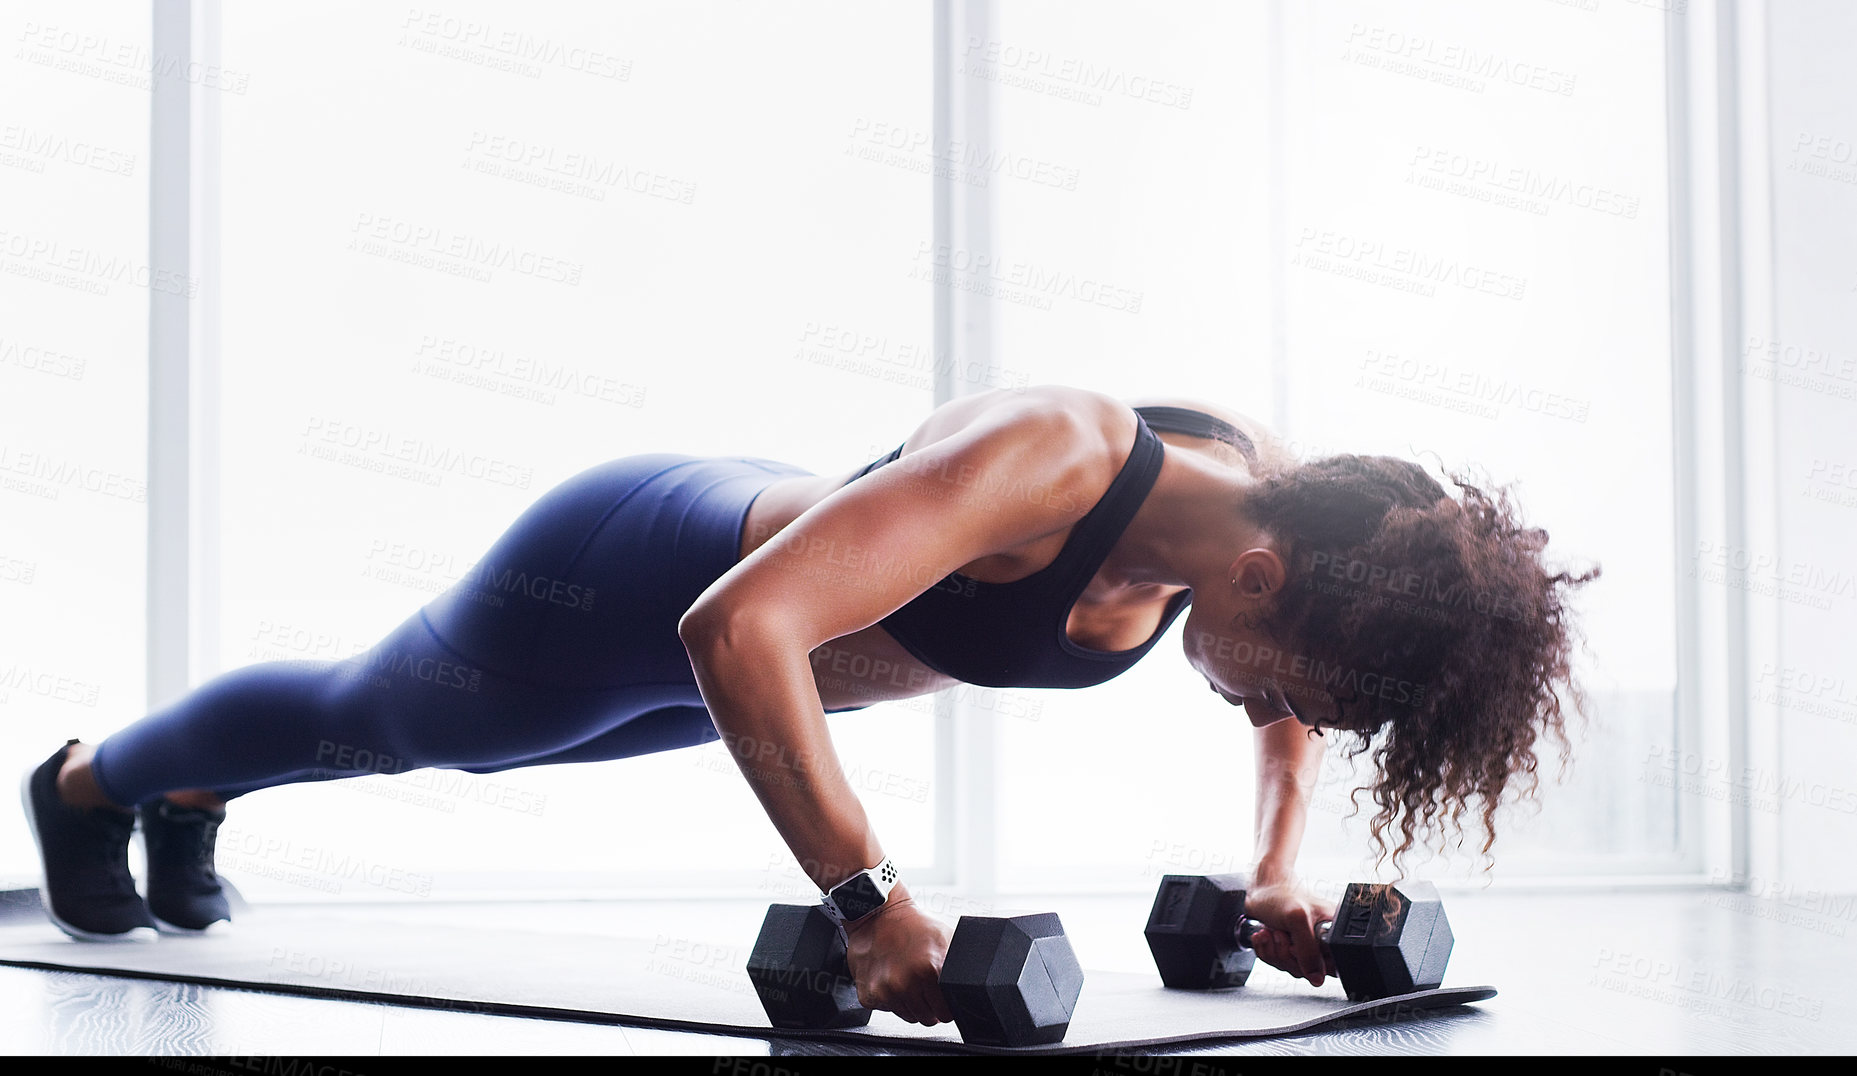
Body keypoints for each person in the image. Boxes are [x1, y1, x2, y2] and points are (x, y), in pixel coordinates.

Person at [19, 384, 1596, 1028]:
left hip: (738, 684)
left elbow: (1278, 716)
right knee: (392, 717)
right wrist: (868, 899)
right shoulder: (1056, 457)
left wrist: (1271, 873)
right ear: (1259, 584)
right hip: (629, 572)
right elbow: (741, 621)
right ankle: (101, 786)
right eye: (1295, 675)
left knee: (465, 744)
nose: (1275, 704)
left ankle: (184, 794)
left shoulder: (1253, 531)